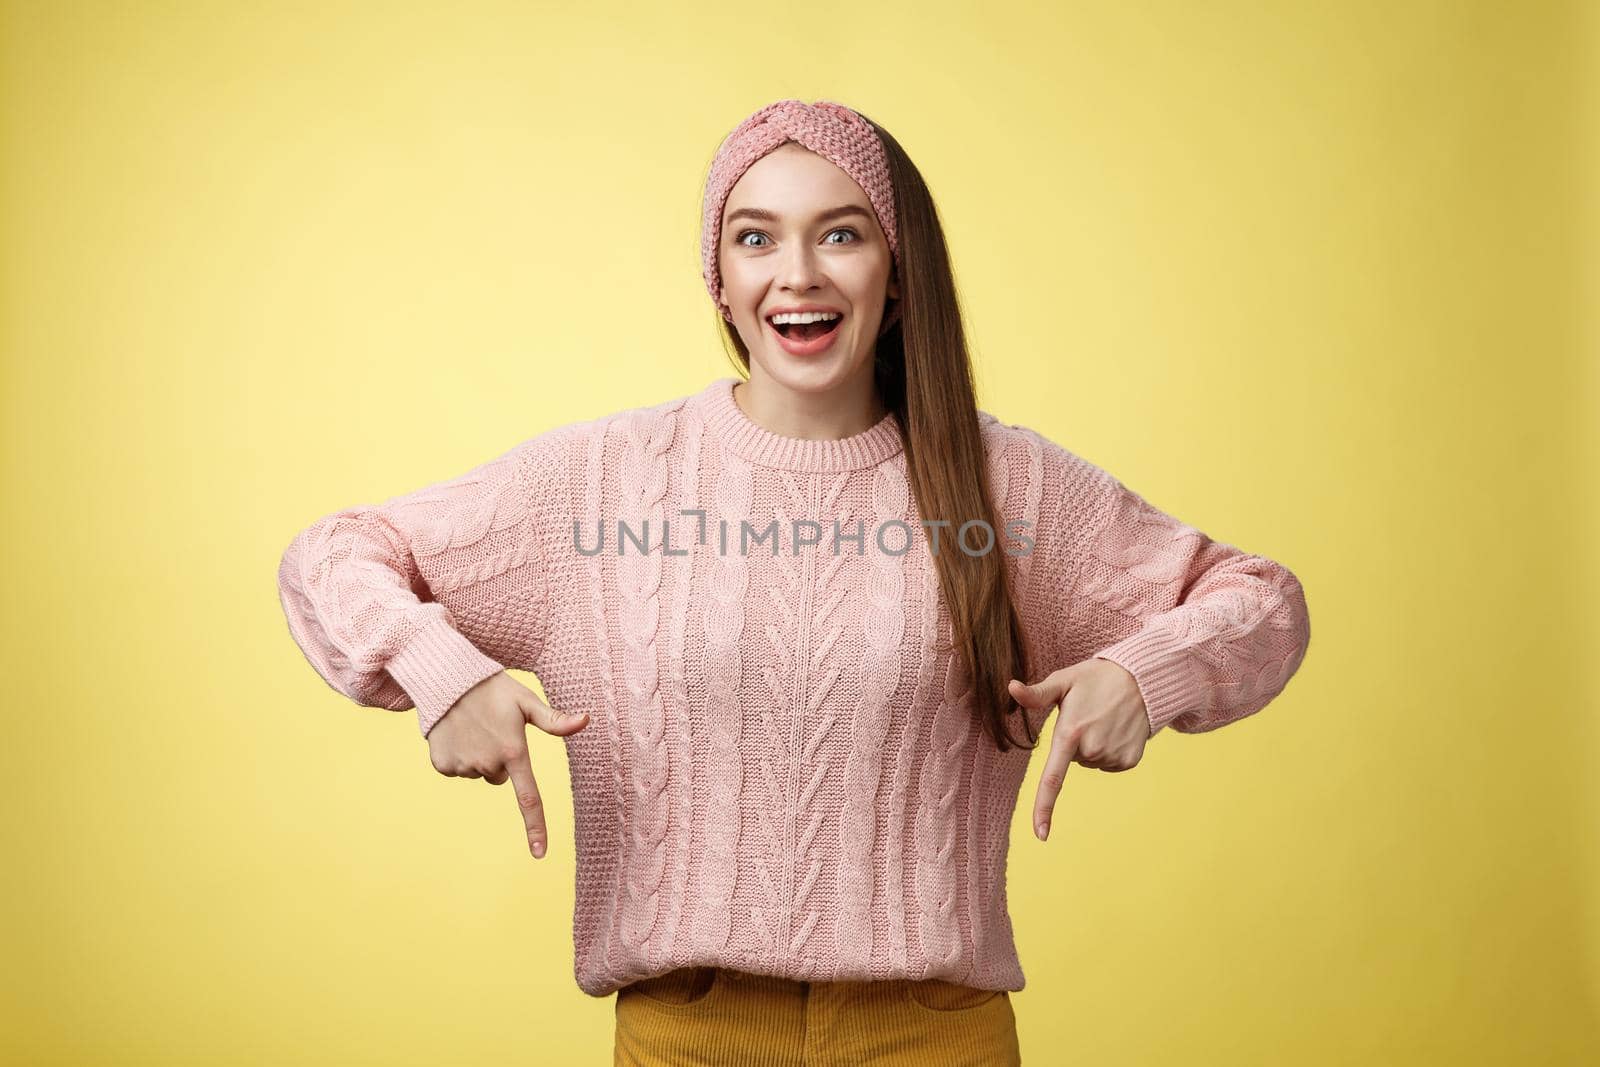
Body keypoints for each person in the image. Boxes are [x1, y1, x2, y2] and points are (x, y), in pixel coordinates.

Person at [276, 98, 1312, 1066]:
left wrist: (1148, 672)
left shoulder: (1007, 487)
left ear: (898, 273)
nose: (798, 273)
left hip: (934, 1039)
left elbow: (1260, 598)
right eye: (756, 236)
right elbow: (332, 553)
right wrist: (439, 670)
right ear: (718, 280)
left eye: (843, 233)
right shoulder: (595, 484)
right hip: (686, 1034)